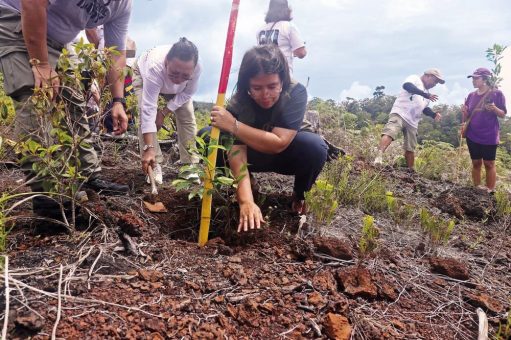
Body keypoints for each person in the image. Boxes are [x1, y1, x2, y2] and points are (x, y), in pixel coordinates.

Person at [0, 0, 131, 216]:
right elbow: (32, 4)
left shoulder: (122, 6)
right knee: (36, 97)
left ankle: (86, 177)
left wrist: (118, 101)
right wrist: (40, 64)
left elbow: (115, 52)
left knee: (73, 103)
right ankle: (48, 204)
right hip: (18, 18)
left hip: (60, 41)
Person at [209, 45, 327, 232]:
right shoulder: (239, 103)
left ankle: (299, 194)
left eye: (272, 86)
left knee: (314, 146)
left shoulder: (295, 92)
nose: (265, 94)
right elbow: (237, 153)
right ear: (247, 85)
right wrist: (246, 200)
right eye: (256, 88)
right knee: (208, 137)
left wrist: (234, 125)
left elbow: (279, 143)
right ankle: (249, 188)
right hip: (252, 156)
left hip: (286, 154)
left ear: (282, 81)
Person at [137, 38, 201, 185]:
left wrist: (164, 112)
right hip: (143, 75)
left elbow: (187, 94)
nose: (178, 80)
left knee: (187, 115)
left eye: (185, 76)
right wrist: (149, 148)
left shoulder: (197, 68)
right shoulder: (154, 68)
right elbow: (148, 109)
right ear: (166, 60)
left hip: (177, 91)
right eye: (174, 73)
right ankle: (154, 164)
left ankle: (190, 165)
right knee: (145, 118)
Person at [373, 69, 444, 169]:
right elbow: (407, 86)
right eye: (435, 81)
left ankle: (411, 171)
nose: (435, 84)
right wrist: (425, 94)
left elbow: (424, 108)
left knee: (410, 148)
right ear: (428, 76)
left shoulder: (428, 94)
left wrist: (433, 114)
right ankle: (378, 157)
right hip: (400, 113)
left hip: (413, 122)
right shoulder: (414, 79)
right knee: (390, 132)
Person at [462, 67, 507, 193]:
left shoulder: (497, 94)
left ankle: (490, 190)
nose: (473, 81)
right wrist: (464, 112)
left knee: (489, 164)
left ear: (485, 79)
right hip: (472, 134)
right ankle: (477, 188)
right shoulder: (471, 95)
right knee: (476, 163)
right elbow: (468, 116)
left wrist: (494, 109)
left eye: (476, 78)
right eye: (473, 78)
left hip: (489, 135)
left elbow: (503, 114)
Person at [256, 0, 306, 75]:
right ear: (287, 10)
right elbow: (301, 53)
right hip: (283, 75)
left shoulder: (260, 29)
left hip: (263, 74)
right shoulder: (289, 26)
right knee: (301, 87)